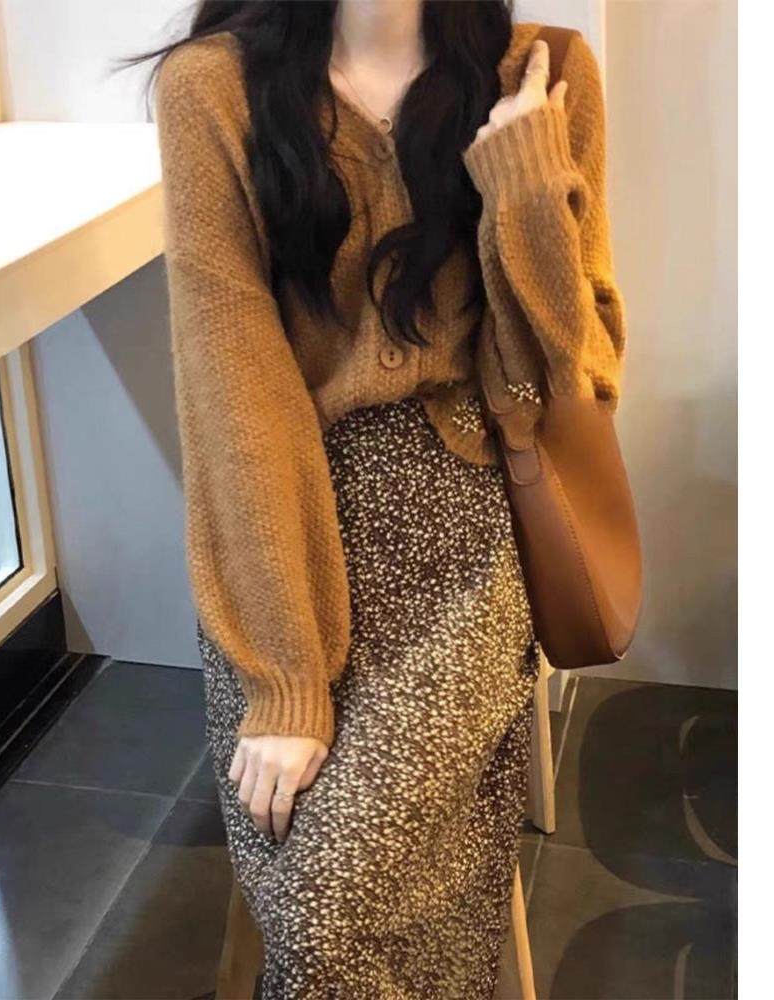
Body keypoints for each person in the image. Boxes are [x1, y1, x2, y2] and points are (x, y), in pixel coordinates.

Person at [148, 1, 626, 995]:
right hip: (285, 532)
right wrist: (287, 678)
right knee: (316, 904)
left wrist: (523, 187)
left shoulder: (544, 74)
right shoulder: (213, 89)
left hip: (467, 532)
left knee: (331, 910)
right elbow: (234, 395)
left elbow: (575, 372)